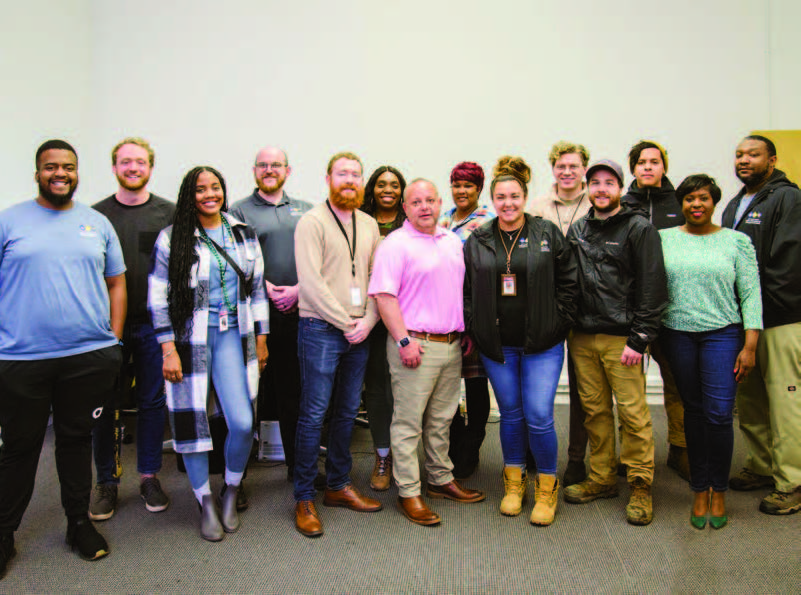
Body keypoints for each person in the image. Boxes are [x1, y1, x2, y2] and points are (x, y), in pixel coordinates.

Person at [0, 140, 125, 577]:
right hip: (20, 358)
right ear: (37, 173)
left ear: (78, 172)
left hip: (87, 357)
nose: (60, 173)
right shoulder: (9, 220)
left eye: (68, 167)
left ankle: (78, 524)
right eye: (51, 167)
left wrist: (114, 342)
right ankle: (4, 534)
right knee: (19, 448)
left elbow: (116, 284)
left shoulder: (96, 223)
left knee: (75, 443)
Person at [148, 166, 269, 542]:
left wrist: (262, 338)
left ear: (223, 190)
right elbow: (158, 297)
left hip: (235, 335)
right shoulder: (172, 239)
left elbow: (258, 289)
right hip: (189, 340)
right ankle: (204, 501)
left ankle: (230, 489)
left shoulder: (243, 233)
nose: (209, 195)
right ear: (190, 195)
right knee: (192, 424)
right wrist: (168, 349)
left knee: (243, 422)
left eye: (215, 187)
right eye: (200, 189)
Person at [464, 156, 577, 526]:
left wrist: (559, 322)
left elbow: (569, 281)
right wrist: (474, 325)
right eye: (501, 197)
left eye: (514, 196)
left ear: (525, 197)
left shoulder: (547, 233)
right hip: (498, 346)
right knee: (511, 414)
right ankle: (514, 484)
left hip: (542, 344)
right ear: (492, 199)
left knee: (540, 415)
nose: (508, 203)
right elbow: (466, 290)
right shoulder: (478, 239)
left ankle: (547, 487)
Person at [370, 178, 485, 527]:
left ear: (439, 204)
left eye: (430, 200)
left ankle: (440, 479)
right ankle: (409, 492)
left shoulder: (451, 241)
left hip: (451, 345)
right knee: (408, 424)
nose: (424, 207)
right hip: (414, 345)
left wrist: (462, 332)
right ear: (405, 207)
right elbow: (384, 296)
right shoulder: (395, 244)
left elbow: (458, 290)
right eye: (416, 201)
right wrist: (403, 341)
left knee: (442, 420)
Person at [564, 159, 667, 526]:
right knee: (594, 411)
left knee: (633, 413)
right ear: (587, 188)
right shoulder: (578, 229)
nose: (602, 189)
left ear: (620, 188)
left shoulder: (639, 229)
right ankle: (602, 477)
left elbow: (653, 287)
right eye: (595, 183)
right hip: (582, 337)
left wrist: (639, 339)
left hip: (623, 338)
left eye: (609, 183)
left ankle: (640, 483)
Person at [658, 174, 762, 529]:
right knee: (694, 411)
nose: (696, 204)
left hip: (723, 335)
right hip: (678, 335)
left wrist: (750, 344)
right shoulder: (663, 240)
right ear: (681, 204)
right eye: (689, 199)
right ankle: (699, 488)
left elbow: (750, 293)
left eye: (703, 198)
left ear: (714, 202)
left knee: (719, 414)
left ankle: (719, 490)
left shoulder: (736, 241)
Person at [293, 152, 383, 538]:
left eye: (356, 174)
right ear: (327, 177)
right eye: (342, 173)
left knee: (347, 411)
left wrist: (368, 321)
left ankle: (338, 485)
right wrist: (347, 322)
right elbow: (310, 283)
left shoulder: (369, 224)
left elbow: (379, 279)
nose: (349, 179)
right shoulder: (312, 222)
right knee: (314, 414)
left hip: (359, 331)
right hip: (321, 329)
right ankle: (303, 496)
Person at [90, 137, 174, 521]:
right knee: (103, 405)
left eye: (140, 162)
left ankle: (148, 475)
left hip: (153, 326)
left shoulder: (168, 215)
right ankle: (106, 480)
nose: (133, 168)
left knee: (153, 403)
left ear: (150, 168)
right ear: (114, 167)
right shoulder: (94, 217)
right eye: (125, 162)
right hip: (105, 328)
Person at [722, 135, 801, 515]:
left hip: (779, 318)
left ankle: (793, 481)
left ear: (771, 161)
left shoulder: (787, 198)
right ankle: (762, 465)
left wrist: (758, 310)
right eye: (739, 154)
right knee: (749, 397)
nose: (743, 160)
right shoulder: (736, 203)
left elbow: (786, 264)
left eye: (752, 154)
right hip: (743, 322)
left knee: (785, 400)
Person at [230, 147, 312, 487]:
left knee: (294, 393)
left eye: (275, 164)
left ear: (288, 170)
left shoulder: (307, 211)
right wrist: (265, 288)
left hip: (297, 312)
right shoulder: (237, 210)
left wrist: (296, 290)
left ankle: (298, 469)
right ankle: (237, 478)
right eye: (262, 165)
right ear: (254, 170)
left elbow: (318, 259)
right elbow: (233, 259)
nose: (269, 170)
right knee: (247, 395)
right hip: (253, 317)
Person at [621, 140, 689, 481]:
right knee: (628, 387)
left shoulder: (680, 203)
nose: (648, 167)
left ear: (664, 166)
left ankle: (680, 449)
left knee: (676, 382)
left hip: (674, 309)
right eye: (641, 162)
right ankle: (628, 453)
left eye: (655, 161)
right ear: (633, 168)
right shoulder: (622, 205)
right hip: (630, 309)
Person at [528, 141, 592, 487]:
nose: (567, 172)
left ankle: (577, 459)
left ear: (585, 168)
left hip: (587, 310)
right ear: (552, 168)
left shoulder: (595, 203)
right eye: (560, 166)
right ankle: (536, 453)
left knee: (584, 391)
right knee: (539, 388)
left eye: (574, 166)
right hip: (546, 309)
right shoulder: (538, 206)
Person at [439, 161, 495, 479]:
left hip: (475, 311)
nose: (462, 191)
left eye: (468, 185)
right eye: (457, 184)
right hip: (445, 314)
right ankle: (457, 440)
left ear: (479, 188)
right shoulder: (442, 220)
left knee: (475, 383)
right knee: (446, 385)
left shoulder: (488, 221)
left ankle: (472, 446)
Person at [358, 165, 407, 491]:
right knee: (377, 390)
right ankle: (383, 455)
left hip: (407, 318)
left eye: (394, 185)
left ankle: (407, 458)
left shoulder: (413, 223)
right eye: (381, 184)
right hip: (369, 316)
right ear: (371, 189)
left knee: (407, 391)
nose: (387, 189)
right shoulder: (358, 222)